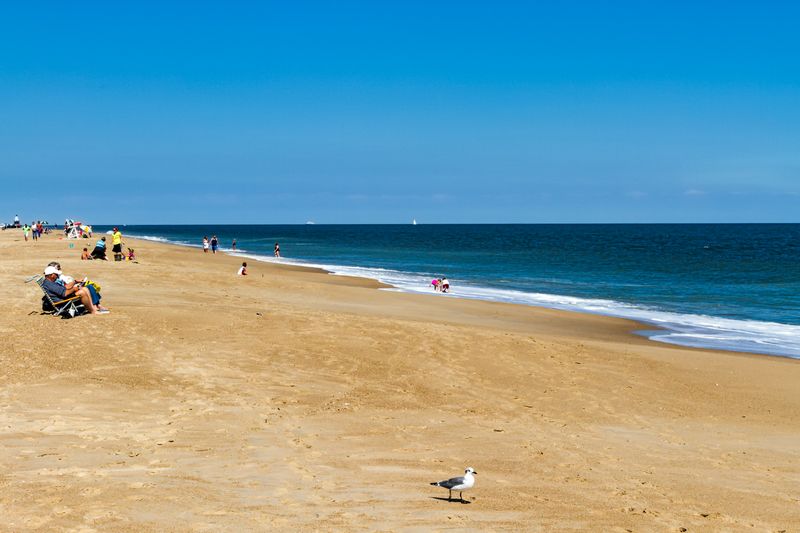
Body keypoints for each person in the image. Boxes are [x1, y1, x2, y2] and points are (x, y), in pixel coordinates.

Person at [41, 265, 105, 315]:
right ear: (52, 275)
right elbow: (65, 293)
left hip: (63, 298)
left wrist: (75, 282)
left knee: (85, 288)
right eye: (56, 274)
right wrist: (74, 288)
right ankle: (93, 311)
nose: (57, 276)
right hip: (62, 302)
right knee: (82, 292)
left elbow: (65, 288)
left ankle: (93, 308)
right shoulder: (50, 284)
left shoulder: (50, 282)